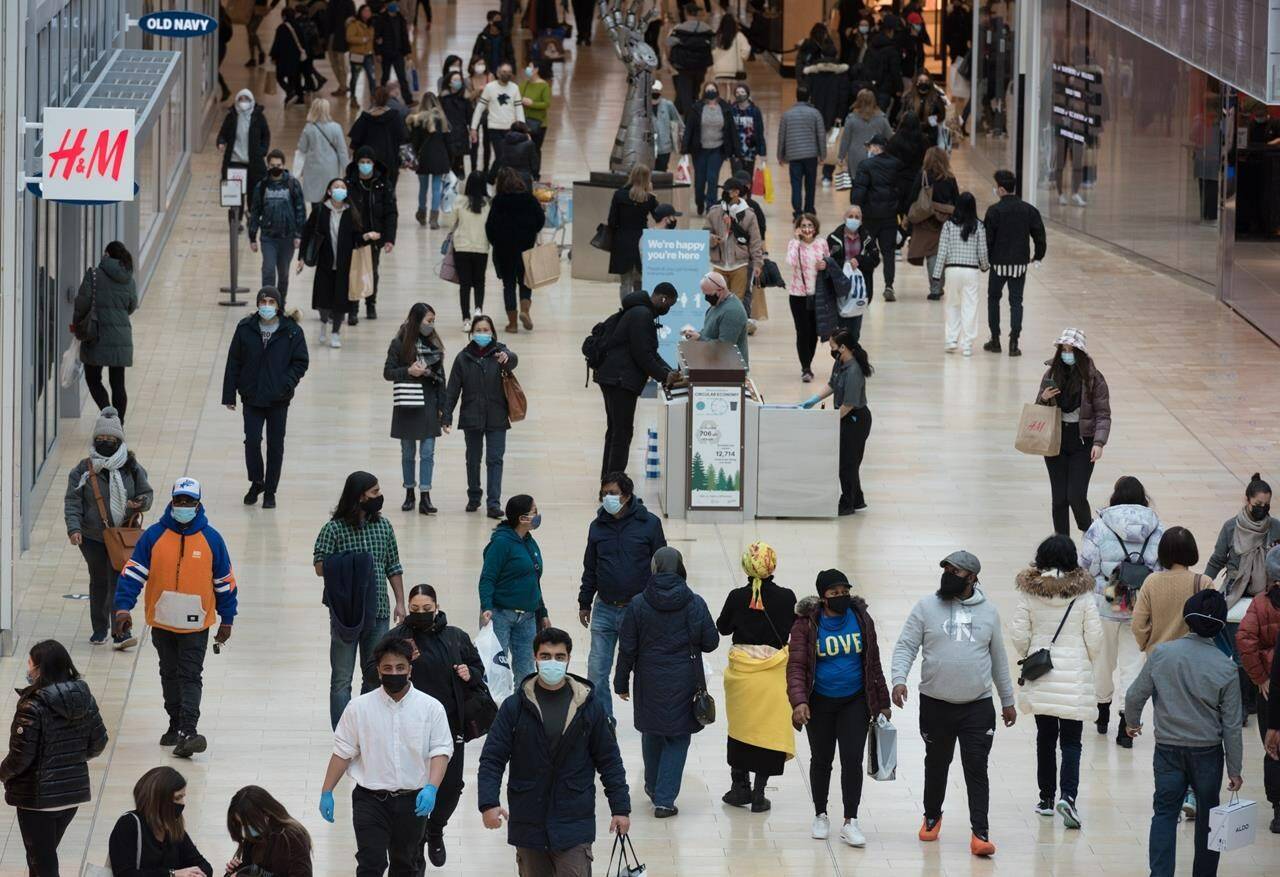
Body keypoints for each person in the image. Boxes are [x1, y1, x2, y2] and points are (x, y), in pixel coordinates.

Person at [891, 550, 1016, 857]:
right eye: (945, 569)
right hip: (935, 703)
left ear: (972, 578)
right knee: (936, 763)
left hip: (977, 705)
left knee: (976, 767)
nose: (947, 575)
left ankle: (980, 833)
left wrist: (1008, 700)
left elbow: (999, 659)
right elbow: (906, 645)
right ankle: (932, 815)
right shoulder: (926, 607)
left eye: (955, 572)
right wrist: (898, 679)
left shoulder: (989, 612)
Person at [478, 626, 631, 875]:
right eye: (546, 656)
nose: (553, 662)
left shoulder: (588, 706)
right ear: (535, 658)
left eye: (559, 657)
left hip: (574, 820)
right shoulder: (514, 707)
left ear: (568, 659)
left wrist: (620, 808)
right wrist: (488, 803)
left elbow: (609, 760)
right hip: (529, 820)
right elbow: (492, 758)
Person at [115, 477, 237, 759]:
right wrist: (123, 608)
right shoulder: (154, 536)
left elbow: (224, 582)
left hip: (196, 625)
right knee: (169, 674)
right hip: (162, 622)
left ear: (198, 504)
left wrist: (227, 618)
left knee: (191, 675)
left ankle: (188, 730)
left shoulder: (212, 539)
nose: (183, 506)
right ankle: (175, 724)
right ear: (172, 502)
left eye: (189, 501)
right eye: (179, 500)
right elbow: (133, 574)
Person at [1125, 590, 1244, 877]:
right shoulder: (1226, 669)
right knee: (1208, 818)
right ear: (1219, 625)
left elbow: (1134, 695)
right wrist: (1235, 769)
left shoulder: (1163, 654)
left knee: (1165, 812)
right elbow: (1232, 724)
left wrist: (1133, 723)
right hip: (1207, 753)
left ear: (1187, 618)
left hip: (1168, 748)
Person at [318, 637, 454, 876]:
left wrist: (432, 787)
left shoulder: (431, 708)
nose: (394, 673)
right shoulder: (359, 708)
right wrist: (327, 791)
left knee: (406, 864)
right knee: (370, 863)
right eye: (388, 668)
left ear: (410, 669)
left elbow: (440, 751)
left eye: (400, 668)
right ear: (379, 671)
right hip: (369, 800)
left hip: (413, 800)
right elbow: (342, 752)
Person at [615, 546, 719, 817]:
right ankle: (664, 799)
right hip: (685, 680)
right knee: (677, 737)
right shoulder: (695, 602)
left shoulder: (638, 603)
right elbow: (711, 641)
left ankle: (652, 785)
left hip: (648, 679)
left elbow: (627, 647)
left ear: (655, 568)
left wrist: (620, 682)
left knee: (652, 732)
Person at [385, 584, 485, 866]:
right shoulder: (397, 638)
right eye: (415, 610)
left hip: (450, 726)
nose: (420, 614)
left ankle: (436, 828)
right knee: (413, 787)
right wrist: (402, 663)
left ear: (437, 607)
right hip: (407, 727)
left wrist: (470, 673)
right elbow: (373, 671)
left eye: (426, 610)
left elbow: (479, 670)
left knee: (451, 786)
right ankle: (416, 840)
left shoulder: (456, 637)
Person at [787, 568, 887, 845]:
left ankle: (850, 820)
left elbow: (873, 662)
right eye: (834, 593)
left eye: (845, 592)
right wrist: (799, 701)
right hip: (819, 702)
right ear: (823, 597)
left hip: (854, 701)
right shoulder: (806, 625)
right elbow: (796, 666)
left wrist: (883, 702)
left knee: (852, 760)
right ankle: (820, 814)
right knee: (821, 760)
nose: (841, 597)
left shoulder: (861, 618)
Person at [1009, 535, 1103, 829]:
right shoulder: (1083, 594)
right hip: (1073, 674)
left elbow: (1018, 633)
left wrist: (1029, 653)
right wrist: (1084, 657)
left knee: (1045, 739)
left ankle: (1046, 799)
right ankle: (1069, 798)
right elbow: (1096, 637)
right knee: (1072, 741)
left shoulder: (1029, 593)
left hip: (1042, 672)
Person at [0, 640, 108, 876]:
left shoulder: (32, 705)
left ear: (40, 668)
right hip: (71, 796)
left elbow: (20, 757)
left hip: (37, 798)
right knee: (40, 859)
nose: (27, 669)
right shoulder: (85, 698)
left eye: (29, 663)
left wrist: (2, 774)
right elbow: (99, 743)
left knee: (43, 863)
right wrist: (71, 759)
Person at [313, 471, 407, 728]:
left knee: (374, 674)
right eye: (374, 492)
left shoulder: (384, 526)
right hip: (346, 613)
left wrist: (400, 602)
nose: (379, 497)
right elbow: (319, 566)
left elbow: (393, 565)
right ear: (359, 496)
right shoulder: (333, 529)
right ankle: (343, 733)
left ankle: (367, 728)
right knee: (342, 678)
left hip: (378, 610)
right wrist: (352, 564)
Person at [1079, 475, 1162, 746]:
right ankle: (1126, 725)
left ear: (1115, 497)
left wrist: (1105, 585)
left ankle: (1102, 714)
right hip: (1141, 606)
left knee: (1103, 662)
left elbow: (1086, 566)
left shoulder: (1100, 527)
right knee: (1132, 666)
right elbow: (1161, 569)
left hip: (1105, 603)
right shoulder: (1157, 528)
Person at [579, 471, 667, 722]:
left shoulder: (649, 524)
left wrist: (657, 602)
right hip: (604, 608)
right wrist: (585, 602)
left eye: (613, 493)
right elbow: (590, 566)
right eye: (604, 493)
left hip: (638, 610)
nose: (608, 497)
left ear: (627, 496)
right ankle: (604, 721)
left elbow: (661, 565)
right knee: (596, 671)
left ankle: (650, 717)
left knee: (645, 668)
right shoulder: (597, 527)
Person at [716, 544, 797, 813]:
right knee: (766, 730)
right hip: (773, 673)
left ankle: (740, 787)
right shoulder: (787, 597)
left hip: (742, 676)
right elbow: (792, 629)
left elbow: (722, 627)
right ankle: (760, 794)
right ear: (772, 565)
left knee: (741, 728)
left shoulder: (737, 596)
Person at [64, 406, 152, 646]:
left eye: (110, 439)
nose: (105, 442)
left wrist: (140, 502)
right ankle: (100, 628)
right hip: (92, 537)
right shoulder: (83, 470)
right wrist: (74, 529)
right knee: (100, 581)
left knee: (119, 581)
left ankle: (121, 630)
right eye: (100, 439)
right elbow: (73, 501)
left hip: (122, 535)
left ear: (119, 440)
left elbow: (147, 493)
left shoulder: (131, 467)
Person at [221, 287, 309, 509]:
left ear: (278, 305)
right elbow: (234, 362)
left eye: (271, 301)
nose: (267, 305)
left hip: (279, 399)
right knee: (251, 441)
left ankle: (270, 490)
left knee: (275, 445)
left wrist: (286, 383)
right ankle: (257, 480)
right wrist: (229, 394)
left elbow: (301, 362)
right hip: (252, 396)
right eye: (263, 301)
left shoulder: (292, 331)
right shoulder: (245, 328)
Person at [1207, 473, 1280, 722]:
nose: (1263, 510)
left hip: (1266, 599)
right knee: (1239, 653)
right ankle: (1241, 703)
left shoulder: (1276, 527)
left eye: (1266, 506)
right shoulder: (1230, 527)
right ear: (1246, 500)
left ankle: (1252, 701)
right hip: (1235, 598)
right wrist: (1206, 584)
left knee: (1260, 650)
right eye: (1258, 505)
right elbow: (1217, 559)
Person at [592, 285, 680, 476]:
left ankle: (608, 483)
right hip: (620, 380)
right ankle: (613, 487)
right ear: (663, 299)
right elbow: (643, 355)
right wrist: (665, 376)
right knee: (621, 434)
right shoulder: (642, 315)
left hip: (613, 376)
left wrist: (669, 371)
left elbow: (649, 352)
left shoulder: (639, 311)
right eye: (670, 305)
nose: (668, 310)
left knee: (615, 432)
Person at [1036, 328, 1111, 535]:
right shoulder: (1051, 373)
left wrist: (1099, 442)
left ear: (1080, 353)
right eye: (1063, 349)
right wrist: (1044, 397)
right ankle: (1063, 546)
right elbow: (1038, 410)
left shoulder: (1094, 378)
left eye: (1071, 350)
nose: (1066, 354)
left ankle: (1092, 535)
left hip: (1083, 443)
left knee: (1076, 495)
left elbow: (1103, 414)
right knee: (1059, 498)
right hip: (1056, 441)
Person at [443, 315, 518, 513]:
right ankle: (474, 495)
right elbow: (452, 390)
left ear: (492, 332)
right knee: (473, 458)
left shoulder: (500, 352)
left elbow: (513, 359)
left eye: (486, 330)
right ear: (471, 333)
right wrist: (446, 416)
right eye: (479, 330)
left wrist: (507, 358)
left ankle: (493, 503)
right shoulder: (462, 358)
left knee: (495, 459)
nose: (482, 334)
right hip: (472, 416)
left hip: (497, 415)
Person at [296, 177, 380, 348]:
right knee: (323, 300)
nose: (339, 190)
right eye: (336, 187)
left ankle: (335, 333)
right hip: (324, 264)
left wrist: (367, 236)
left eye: (343, 187)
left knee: (340, 301)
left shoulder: (351, 212)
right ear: (329, 191)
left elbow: (356, 238)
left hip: (344, 266)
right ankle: (324, 323)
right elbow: (308, 233)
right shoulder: (320, 210)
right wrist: (301, 257)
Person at [799, 330, 873, 514]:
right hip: (845, 416)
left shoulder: (854, 371)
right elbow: (832, 384)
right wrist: (813, 399)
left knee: (847, 463)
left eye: (832, 346)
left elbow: (848, 405)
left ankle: (847, 503)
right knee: (848, 461)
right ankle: (857, 499)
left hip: (855, 419)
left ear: (843, 347)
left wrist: (829, 421)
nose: (830, 350)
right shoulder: (840, 363)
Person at [479, 495, 548, 683]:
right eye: (534, 511)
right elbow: (487, 578)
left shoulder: (529, 541)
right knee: (496, 671)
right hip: (501, 614)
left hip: (527, 617)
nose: (537, 515)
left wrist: (542, 613)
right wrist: (486, 607)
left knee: (526, 672)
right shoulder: (501, 543)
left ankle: (522, 710)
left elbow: (534, 580)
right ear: (522, 518)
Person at [384, 303, 445, 515]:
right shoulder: (399, 343)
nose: (431, 325)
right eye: (428, 320)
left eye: (433, 321)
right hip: (408, 404)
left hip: (429, 403)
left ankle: (425, 496)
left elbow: (441, 379)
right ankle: (409, 492)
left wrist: (444, 410)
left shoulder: (435, 344)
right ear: (416, 320)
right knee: (408, 452)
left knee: (427, 452)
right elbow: (388, 372)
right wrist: (409, 371)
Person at [1237, 544, 1280, 832]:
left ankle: (1278, 808)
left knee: (1274, 748)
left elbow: (1245, 639)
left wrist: (1261, 678)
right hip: (1269, 687)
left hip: (1269, 692)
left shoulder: (1261, 603)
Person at [981, 169, 1046, 356]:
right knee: (1016, 301)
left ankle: (995, 339)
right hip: (1019, 263)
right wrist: (1038, 255)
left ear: (1001, 189)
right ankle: (1014, 342)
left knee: (994, 299)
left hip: (998, 263)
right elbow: (1039, 235)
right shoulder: (1029, 210)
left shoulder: (994, 211)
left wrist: (985, 261)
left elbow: (987, 239)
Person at [107, 767, 213, 876]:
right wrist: (172, 874)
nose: (182, 803)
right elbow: (125, 873)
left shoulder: (174, 828)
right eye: (177, 798)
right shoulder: (129, 824)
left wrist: (196, 874)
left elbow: (204, 866)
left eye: (182, 797)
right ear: (158, 800)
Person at [74, 241, 137, 421]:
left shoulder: (94, 275)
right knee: (118, 383)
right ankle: (119, 425)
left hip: (96, 335)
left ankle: (107, 412)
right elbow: (131, 306)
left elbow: (82, 304)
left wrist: (76, 325)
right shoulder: (128, 279)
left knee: (93, 379)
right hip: (121, 337)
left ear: (107, 255)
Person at [344, 143, 401, 321]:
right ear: (357, 163)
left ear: (374, 163)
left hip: (375, 236)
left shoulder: (383, 184)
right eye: (362, 161)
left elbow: (391, 212)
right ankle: (353, 307)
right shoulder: (348, 184)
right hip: (354, 235)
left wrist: (389, 238)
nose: (365, 164)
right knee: (353, 271)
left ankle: (371, 304)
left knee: (372, 271)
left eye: (369, 161)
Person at [485, 168, 545, 331]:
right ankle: (525, 311)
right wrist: (530, 233)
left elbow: (490, 226)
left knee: (509, 285)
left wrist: (495, 242)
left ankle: (512, 324)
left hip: (504, 250)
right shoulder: (529, 199)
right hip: (526, 248)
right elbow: (540, 220)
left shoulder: (499, 201)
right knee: (526, 283)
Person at [1133, 527, 1210, 653]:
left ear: (1162, 552)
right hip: (1191, 656)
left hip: (1159, 655)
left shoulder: (1151, 581)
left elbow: (1138, 625)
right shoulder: (1204, 583)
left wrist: (1147, 645)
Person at [932, 191, 989, 356]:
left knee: (952, 305)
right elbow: (982, 251)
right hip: (971, 270)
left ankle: (951, 340)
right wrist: (985, 266)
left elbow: (942, 250)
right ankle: (967, 345)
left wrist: (936, 274)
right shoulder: (979, 226)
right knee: (970, 307)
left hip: (952, 270)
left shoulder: (949, 225)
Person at [247, 151, 307, 303]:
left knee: (284, 273)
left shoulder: (293, 184)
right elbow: (255, 212)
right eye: (272, 165)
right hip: (268, 238)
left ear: (284, 165)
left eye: (278, 165)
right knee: (268, 270)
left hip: (288, 237)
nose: (275, 168)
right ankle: (267, 303)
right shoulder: (262, 186)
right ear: (268, 166)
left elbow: (300, 210)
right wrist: (252, 237)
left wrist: (299, 235)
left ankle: (280, 303)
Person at [849, 134, 902, 300]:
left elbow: (859, 190)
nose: (869, 149)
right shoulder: (896, 164)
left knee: (867, 251)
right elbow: (901, 189)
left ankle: (866, 284)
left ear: (877, 148)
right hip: (890, 216)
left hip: (870, 217)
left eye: (870, 146)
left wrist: (856, 206)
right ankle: (889, 285)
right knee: (889, 252)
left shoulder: (866, 165)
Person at [816, 205, 880, 343]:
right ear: (844, 218)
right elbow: (828, 260)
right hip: (840, 290)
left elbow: (875, 259)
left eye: (857, 217)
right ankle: (841, 360)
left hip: (859, 292)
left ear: (861, 220)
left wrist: (859, 260)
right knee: (840, 332)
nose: (854, 219)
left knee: (855, 333)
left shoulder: (867, 238)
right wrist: (844, 264)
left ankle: (851, 359)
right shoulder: (833, 238)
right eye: (851, 216)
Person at [704, 177, 763, 313]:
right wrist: (713, 239)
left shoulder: (749, 215)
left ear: (736, 192)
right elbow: (704, 234)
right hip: (719, 265)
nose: (723, 193)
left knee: (737, 302)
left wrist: (758, 263)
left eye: (727, 191)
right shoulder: (714, 212)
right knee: (717, 301)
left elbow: (755, 241)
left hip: (740, 265)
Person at [906, 146, 959, 299]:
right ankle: (937, 286)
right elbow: (956, 199)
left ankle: (935, 288)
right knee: (938, 254)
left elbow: (912, 197)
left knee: (931, 254)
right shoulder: (950, 178)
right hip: (944, 220)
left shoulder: (923, 176)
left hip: (924, 220)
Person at [224, 785, 313, 876]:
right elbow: (251, 868)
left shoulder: (293, 838)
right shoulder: (254, 835)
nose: (245, 829)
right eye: (241, 824)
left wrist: (252, 872)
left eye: (248, 823)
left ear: (265, 814)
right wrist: (237, 870)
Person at [682, 83, 739, 215]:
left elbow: (731, 130)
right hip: (700, 150)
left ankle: (711, 207)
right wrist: (685, 148)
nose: (711, 92)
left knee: (712, 178)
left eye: (713, 90)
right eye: (708, 90)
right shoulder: (696, 108)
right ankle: (699, 201)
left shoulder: (725, 108)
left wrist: (736, 150)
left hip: (717, 149)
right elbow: (689, 129)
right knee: (700, 180)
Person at [606, 164, 660, 298]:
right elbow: (660, 217)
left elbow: (612, 221)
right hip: (642, 242)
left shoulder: (619, 195)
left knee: (625, 282)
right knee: (639, 280)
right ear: (647, 179)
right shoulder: (649, 198)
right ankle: (638, 308)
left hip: (622, 241)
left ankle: (626, 310)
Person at [786, 213, 829, 381]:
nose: (807, 229)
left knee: (814, 333)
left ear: (815, 227)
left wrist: (825, 265)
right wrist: (797, 241)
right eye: (803, 226)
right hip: (798, 295)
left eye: (810, 225)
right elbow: (790, 262)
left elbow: (829, 263)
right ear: (798, 228)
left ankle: (808, 362)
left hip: (817, 295)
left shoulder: (822, 243)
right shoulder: (794, 244)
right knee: (802, 332)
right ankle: (806, 367)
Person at [776, 87, 827, 219]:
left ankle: (797, 210)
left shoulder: (787, 114)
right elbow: (821, 135)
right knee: (810, 184)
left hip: (794, 155)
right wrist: (823, 155)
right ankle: (809, 209)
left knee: (796, 184)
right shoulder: (815, 113)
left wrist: (780, 155)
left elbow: (782, 135)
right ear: (809, 97)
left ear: (796, 97)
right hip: (811, 155)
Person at [218, 89, 271, 210]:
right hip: (235, 162)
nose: (243, 102)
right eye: (241, 99)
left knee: (253, 194)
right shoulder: (231, 117)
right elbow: (223, 133)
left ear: (251, 101)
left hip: (253, 162)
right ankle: (236, 220)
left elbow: (266, 135)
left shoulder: (258, 117)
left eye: (246, 99)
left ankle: (251, 217)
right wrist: (221, 142)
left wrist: (262, 151)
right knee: (236, 196)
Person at [450, 172, 490, 328]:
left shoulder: (459, 201)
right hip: (482, 247)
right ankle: (478, 312)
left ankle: (466, 319)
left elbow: (452, 223)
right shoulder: (488, 203)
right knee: (480, 282)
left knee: (464, 284)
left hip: (461, 247)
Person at [683, 270, 749, 366]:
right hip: (715, 363)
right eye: (704, 294)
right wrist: (696, 334)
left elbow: (724, 348)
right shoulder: (717, 304)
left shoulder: (732, 312)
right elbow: (710, 332)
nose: (706, 298)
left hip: (730, 370)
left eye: (708, 295)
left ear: (720, 290)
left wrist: (700, 338)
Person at [295, 99, 350, 213]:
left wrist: (297, 171)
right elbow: (342, 151)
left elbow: (302, 149)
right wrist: (348, 170)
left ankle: (316, 224)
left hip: (313, 169)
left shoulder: (309, 128)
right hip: (331, 169)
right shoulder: (336, 127)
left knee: (315, 199)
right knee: (329, 198)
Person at [407, 93, 453, 229]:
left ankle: (422, 213)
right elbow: (448, 142)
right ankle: (434, 219)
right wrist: (451, 160)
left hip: (424, 158)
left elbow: (414, 143)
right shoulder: (443, 120)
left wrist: (412, 158)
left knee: (423, 188)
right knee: (436, 188)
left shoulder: (418, 120)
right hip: (440, 157)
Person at [471, 62, 525, 172]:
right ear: (498, 73)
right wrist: (473, 128)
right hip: (494, 128)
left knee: (508, 157)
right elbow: (479, 108)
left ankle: (501, 180)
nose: (507, 74)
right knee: (501, 156)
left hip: (510, 128)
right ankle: (490, 180)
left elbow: (519, 109)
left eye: (509, 72)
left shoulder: (515, 88)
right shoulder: (490, 88)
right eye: (504, 72)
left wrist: (523, 129)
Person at [668, 3, 714, 115]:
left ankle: (689, 118)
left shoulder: (679, 29)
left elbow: (669, 43)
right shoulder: (707, 28)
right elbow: (713, 45)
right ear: (697, 13)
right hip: (701, 66)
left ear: (686, 13)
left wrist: (670, 61)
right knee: (695, 91)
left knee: (685, 93)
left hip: (684, 66)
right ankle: (693, 111)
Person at [838, 89, 893, 182]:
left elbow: (845, 139)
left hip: (855, 156)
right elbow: (890, 137)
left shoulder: (851, 118)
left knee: (856, 184)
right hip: (876, 155)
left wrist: (841, 156)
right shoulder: (882, 118)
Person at [374, 2, 415, 105]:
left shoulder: (400, 18)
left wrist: (408, 52)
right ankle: (380, 100)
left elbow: (404, 36)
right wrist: (378, 53)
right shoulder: (381, 19)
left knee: (402, 78)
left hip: (398, 53)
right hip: (386, 54)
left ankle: (408, 100)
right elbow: (377, 37)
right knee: (385, 78)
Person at [269, 7, 307, 104]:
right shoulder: (298, 26)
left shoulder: (281, 28)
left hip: (283, 58)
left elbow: (277, 43)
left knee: (279, 77)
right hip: (296, 57)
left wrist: (273, 56)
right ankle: (298, 98)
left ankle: (290, 92)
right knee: (294, 77)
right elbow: (303, 41)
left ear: (284, 16)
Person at [727, 83, 766, 178]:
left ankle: (747, 193)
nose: (740, 94)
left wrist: (763, 152)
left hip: (750, 151)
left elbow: (760, 132)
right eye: (737, 92)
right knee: (737, 179)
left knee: (747, 179)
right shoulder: (732, 110)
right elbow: (727, 131)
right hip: (735, 152)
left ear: (747, 94)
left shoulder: (755, 111)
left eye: (742, 92)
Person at [863, 17, 901, 111]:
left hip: (870, 87)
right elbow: (895, 71)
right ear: (891, 31)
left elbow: (865, 64)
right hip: (885, 89)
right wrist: (899, 88)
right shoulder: (892, 50)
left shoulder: (871, 46)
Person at [440, 69, 473, 177]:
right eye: (455, 80)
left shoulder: (465, 99)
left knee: (459, 163)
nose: (458, 82)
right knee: (448, 163)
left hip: (461, 134)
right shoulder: (442, 99)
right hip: (447, 134)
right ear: (449, 82)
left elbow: (470, 117)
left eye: (459, 80)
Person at [490, 121, 540, 190]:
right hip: (524, 178)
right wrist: (535, 176)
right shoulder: (529, 144)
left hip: (506, 177)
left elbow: (500, 160)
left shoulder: (503, 142)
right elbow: (534, 162)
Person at [345, 4, 377, 106]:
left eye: (369, 11)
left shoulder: (371, 25)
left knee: (372, 78)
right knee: (355, 77)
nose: (367, 13)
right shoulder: (354, 24)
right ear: (360, 12)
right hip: (357, 55)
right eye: (365, 11)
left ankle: (373, 98)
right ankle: (353, 98)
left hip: (368, 55)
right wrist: (362, 40)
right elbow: (349, 38)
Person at [650, 81, 683, 172]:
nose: (654, 93)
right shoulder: (643, 106)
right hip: (648, 148)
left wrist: (682, 141)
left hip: (665, 148)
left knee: (661, 171)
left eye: (656, 91)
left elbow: (679, 123)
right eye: (652, 91)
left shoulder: (668, 105)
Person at [520, 61, 553, 150]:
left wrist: (532, 104)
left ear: (536, 70)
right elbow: (516, 97)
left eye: (530, 67)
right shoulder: (524, 84)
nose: (527, 69)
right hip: (524, 122)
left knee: (535, 150)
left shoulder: (544, 86)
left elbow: (546, 104)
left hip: (538, 124)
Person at [326, 0, 356, 99]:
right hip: (332, 35)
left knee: (340, 62)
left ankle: (343, 86)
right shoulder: (332, 2)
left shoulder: (348, 2)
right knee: (334, 62)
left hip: (341, 36)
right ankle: (342, 85)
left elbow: (352, 19)